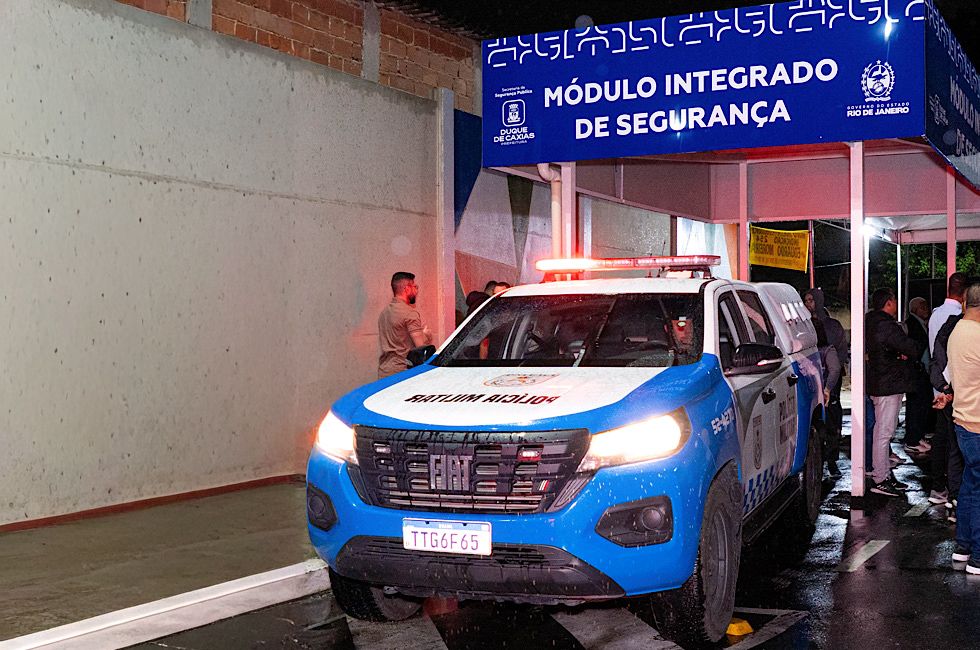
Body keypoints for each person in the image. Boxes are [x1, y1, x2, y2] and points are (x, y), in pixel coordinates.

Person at [866, 287, 923, 496]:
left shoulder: (870, 322)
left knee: (882, 431)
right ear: (888, 303)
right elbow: (911, 347)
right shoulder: (886, 326)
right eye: (894, 301)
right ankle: (881, 478)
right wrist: (902, 353)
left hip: (881, 382)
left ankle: (884, 474)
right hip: (889, 384)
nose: (897, 304)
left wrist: (897, 353)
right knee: (884, 433)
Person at [943, 283, 980, 574]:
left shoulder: (957, 332)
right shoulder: (977, 335)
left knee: (970, 486)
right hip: (978, 423)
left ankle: (963, 547)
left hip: (963, 420)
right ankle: (978, 556)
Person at [928, 273, 969, 506]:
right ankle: (953, 493)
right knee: (955, 445)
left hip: (940, 387)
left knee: (943, 439)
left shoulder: (936, 315)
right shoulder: (959, 320)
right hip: (954, 388)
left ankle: (939, 488)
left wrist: (941, 385)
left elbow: (935, 354)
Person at [804, 288, 846, 478]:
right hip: (814, 382)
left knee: (831, 421)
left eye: (811, 300)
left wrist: (830, 382)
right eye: (806, 300)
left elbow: (839, 357)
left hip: (830, 381)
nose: (808, 304)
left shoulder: (833, 326)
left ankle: (831, 459)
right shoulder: (802, 324)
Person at [377, 272, 432, 378]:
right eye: (415, 287)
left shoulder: (384, 313)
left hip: (384, 372)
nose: (416, 291)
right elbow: (420, 347)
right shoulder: (410, 313)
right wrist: (426, 335)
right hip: (402, 373)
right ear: (407, 289)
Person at [904, 297, 934, 455]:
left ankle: (918, 436)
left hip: (921, 372)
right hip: (917, 373)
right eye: (922, 306)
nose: (926, 308)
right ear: (914, 309)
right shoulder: (912, 325)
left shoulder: (922, 324)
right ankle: (912, 440)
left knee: (922, 406)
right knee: (916, 407)